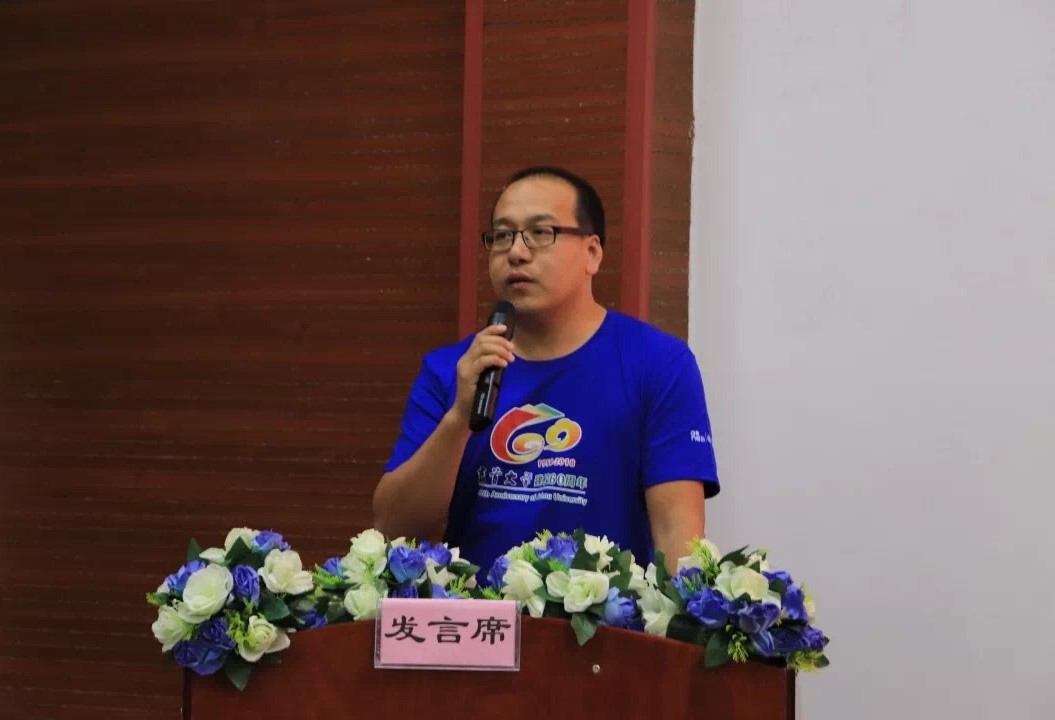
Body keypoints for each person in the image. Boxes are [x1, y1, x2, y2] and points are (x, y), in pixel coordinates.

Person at [372, 166, 719, 578]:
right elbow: (393, 529)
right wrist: (460, 417)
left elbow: (678, 539)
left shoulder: (659, 364)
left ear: (592, 253)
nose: (516, 253)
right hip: (477, 613)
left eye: (540, 232)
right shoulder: (453, 370)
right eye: (502, 236)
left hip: (608, 614)